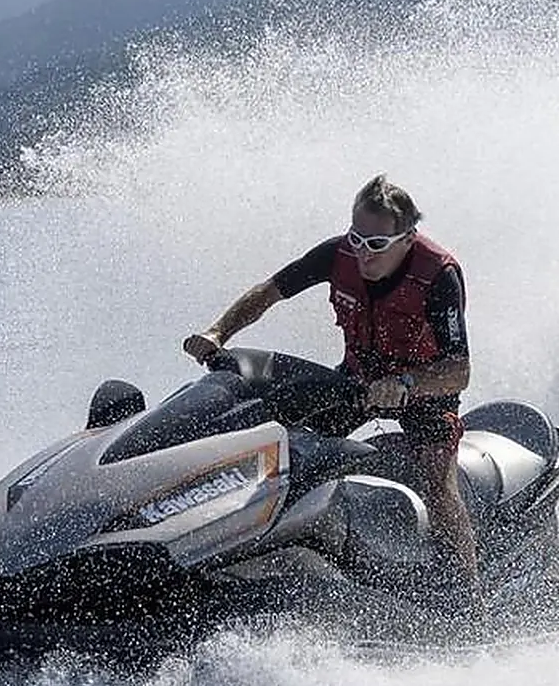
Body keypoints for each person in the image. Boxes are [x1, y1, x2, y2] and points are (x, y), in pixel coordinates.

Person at [183, 174, 479, 603]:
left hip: (424, 393)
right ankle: (248, 546)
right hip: (357, 382)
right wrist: (217, 332)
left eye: (376, 244)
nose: (363, 252)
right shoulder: (337, 254)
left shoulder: (438, 275)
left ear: (408, 239)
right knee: (288, 447)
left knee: (438, 484)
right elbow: (268, 292)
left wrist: (406, 384)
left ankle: (468, 597)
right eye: (356, 238)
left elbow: (459, 370)